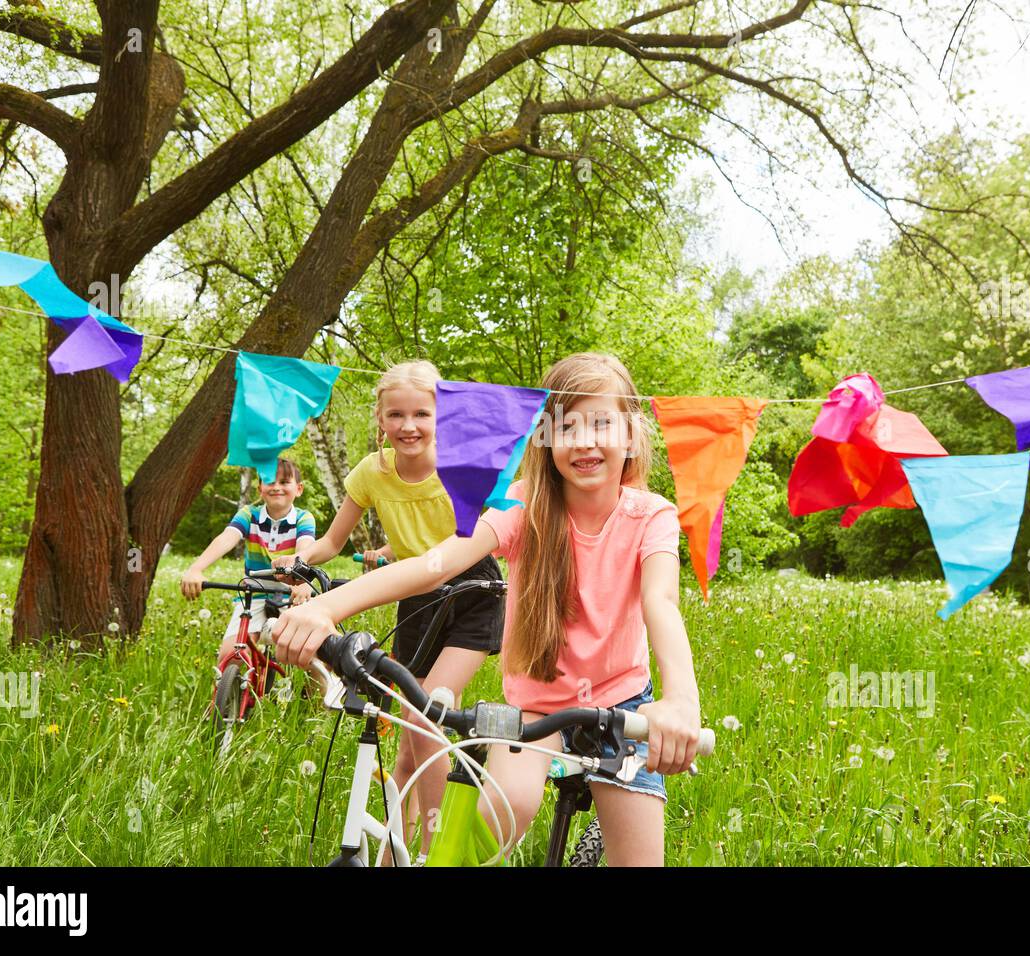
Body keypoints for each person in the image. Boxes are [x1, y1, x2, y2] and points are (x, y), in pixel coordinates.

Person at [273, 353, 701, 866]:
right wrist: (326, 607)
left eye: (602, 422)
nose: (585, 441)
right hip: (532, 711)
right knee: (492, 828)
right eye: (566, 427)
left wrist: (681, 701)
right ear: (543, 438)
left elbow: (662, 602)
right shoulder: (522, 506)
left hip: (622, 707)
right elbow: (435, 564)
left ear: (632, 433)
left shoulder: (650, 516)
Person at [284, 359, 503, 861]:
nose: (408, 426)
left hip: (475, 592)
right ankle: (391, 851)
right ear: (380, 419)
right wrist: (297, 560)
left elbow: (507, 525)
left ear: (440, 416)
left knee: (425, 715)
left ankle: (433, 850)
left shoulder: (462, 465)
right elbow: (332, 542)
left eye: (422, 414)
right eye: (396, 415)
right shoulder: (371, 474)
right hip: (416, 598)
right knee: (407, 741)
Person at [180, 458, 316, 667]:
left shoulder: (303, 518)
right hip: (255, 594)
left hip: (292, 594)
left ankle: (320, 695)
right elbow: (227, 538)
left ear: (298, 489)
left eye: (284, 482)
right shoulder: (249, 515)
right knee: (230, 655)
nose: (276, 487)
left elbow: (305, 549)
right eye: (270, 482)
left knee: (311, 655)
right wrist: (196, 569)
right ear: (260, 488)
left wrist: (303, 581)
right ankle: (225, 698)